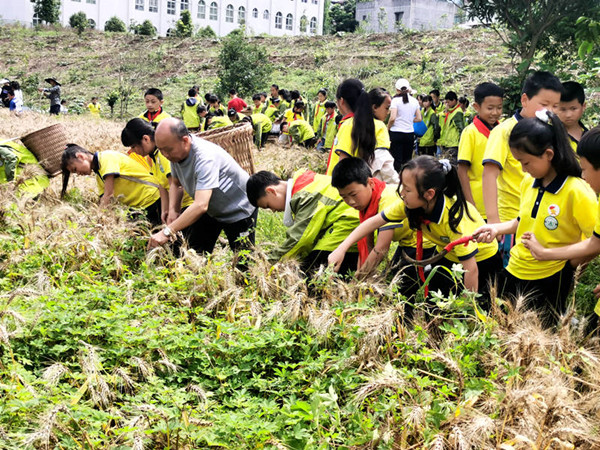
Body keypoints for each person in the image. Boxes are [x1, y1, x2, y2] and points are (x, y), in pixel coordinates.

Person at [475, 112, 597, 327]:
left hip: (551, 277)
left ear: (548, 154)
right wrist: (496, 229)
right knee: (505, 327)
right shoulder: (528, 182)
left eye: (526, 162)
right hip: (515, 268)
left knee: (542, 335)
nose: (523, 169)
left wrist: (569, 266)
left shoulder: (577, 190)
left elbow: (594, 241)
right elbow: (523, 221)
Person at [329, 156, 502, 305]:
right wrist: (341, 248)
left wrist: (465, 306)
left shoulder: (454, 220)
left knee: (477, 308)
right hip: (449, 256)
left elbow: (471, 269)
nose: (401, 193)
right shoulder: (409, 204)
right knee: (434, 304)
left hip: (482, 261)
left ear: (429, 194)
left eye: (407, 189)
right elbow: (374, 222)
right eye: (402, 186)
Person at [482, 71, 563, 263]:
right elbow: (489, 175)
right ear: (525, 100)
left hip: (543, 217)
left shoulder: (550, 131)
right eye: (544, 105)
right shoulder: (505, 131)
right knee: (511, 267)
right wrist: (494, 221)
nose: (550, 111)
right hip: (511, 217)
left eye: (555, 106)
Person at [148, 118, 257, 260]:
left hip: (239, 209)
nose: (165, 155)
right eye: (160, 149)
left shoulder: (204, 158)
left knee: (244, 261)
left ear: (185, 141)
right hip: (212, 208)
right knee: (195, 254)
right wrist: (173, 210)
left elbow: (201, 205)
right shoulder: (175, 154)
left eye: (167, 150)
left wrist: (167, 232)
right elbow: (176, 183)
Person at [522, 126, 600, 318]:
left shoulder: (577, 192)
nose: (583, 176)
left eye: (584, 169)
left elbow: (595, 243)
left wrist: (545, 253)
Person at [330, 158, 434, 299]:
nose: (350, 202)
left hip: (424, 245)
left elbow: (381, 249)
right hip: (407, 244)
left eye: (353, 194)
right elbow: (368, 241)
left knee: (399, 293)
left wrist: (356, 281)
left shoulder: (387, 199)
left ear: (370, 183)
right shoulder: (369, 204)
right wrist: (359, 271)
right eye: (344, 197)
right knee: (390, 282)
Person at [246, 169, 359, 275]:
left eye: (268, 206)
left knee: (310, 275)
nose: (274, 211)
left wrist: (266, 265)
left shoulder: (305, 196)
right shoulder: (303, 182)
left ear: (271, 191)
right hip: (351, 223)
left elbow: (301, 239)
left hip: (349, 225)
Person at [121, 118, 204, 250]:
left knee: (190, 249)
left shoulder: (164, 154)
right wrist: (164, 211)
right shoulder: (152, 157)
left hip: (187, 205)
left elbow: (175, 185)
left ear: (146, 139)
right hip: (178, 207)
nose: (132, 151)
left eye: (133, 146)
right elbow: (162, 186)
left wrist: (173, 211)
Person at [61, 144, 166, 226]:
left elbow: (108, 196)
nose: (78, 173)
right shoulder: (99, 177)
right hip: (140, 207)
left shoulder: (106, 158)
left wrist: (97, 220)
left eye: (75, 169)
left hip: (153, 199)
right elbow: (103, 201)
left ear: (80, 156)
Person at [457, 82, 504, 221]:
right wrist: (470, 204)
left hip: (501, 203)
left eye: (499, 108)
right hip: (479, 204)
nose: (495, 113)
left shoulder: (503, 130)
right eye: (490, 108)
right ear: (476, 107)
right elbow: (462, 170)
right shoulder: (470, 132)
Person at [325, 79, 390, 178]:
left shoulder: (348, 124)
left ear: (341, 101)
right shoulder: (380, 126)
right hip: (366, 186)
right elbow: (384, 164)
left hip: (342, 188)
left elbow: (342, 165)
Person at [387, 78, 422, 170]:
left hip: (396, 133)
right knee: (407, 161)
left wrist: (387, 128)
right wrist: (409, 120)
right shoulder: (414, 101)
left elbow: (392, 118)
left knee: (396, 160)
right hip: (409, 134)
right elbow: (419, 118)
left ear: (397, 89)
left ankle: (396, 180)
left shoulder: (395, 100)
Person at [369, 87, 399, 184]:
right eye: (386, 108)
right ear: (374, 107)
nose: (388, 112)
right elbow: (383, 160)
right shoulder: (380, 126)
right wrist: (398, 185)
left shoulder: (357, 123)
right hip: (377, 181)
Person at [556, 81, 587, 151]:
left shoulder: (590, 136)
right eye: (563, 109)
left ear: (583, 106)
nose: (568, 115)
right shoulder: (552, 137)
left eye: (573, 109)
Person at [438, 91, 464, 160]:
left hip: (453, 145)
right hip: (448, 143)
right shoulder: (450, 112)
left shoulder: (457, 113)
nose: (447, 104)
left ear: (454, 101)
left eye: (448, 102)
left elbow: (461, 129)